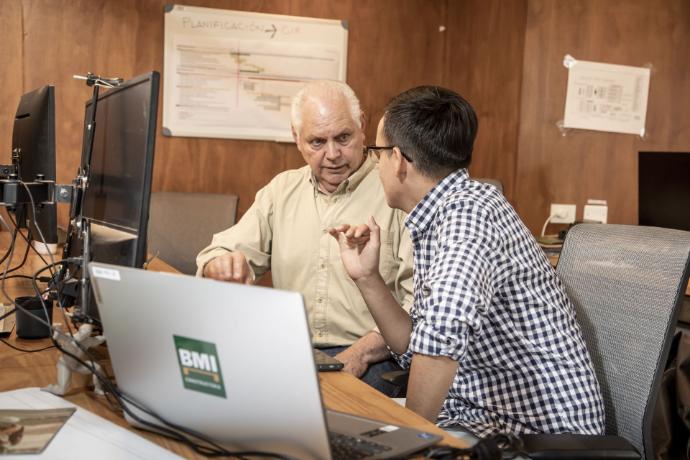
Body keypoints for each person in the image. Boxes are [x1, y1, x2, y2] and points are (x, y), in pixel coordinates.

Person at [329, 86, 605, 437]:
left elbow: (439, 344)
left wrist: (405, 442)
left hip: (535, 434)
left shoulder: (468, 215)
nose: (375, 164)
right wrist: (367, 277)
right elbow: (416, 346)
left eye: (376, 153)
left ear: (396, 160)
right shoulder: (444, 212)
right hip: (474, 415)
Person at [196, 80, 413, 396]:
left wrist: (361, 353)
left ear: (362, 126)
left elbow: (416, 308)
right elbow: (223, 250)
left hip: (373, 354)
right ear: (296, 138)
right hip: (291, 349)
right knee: (217, 387)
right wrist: (219, 263)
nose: (333, 154)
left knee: (314, 404)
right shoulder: (281, 191)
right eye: (317, 142)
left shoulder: (396, 192)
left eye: (343, 137)